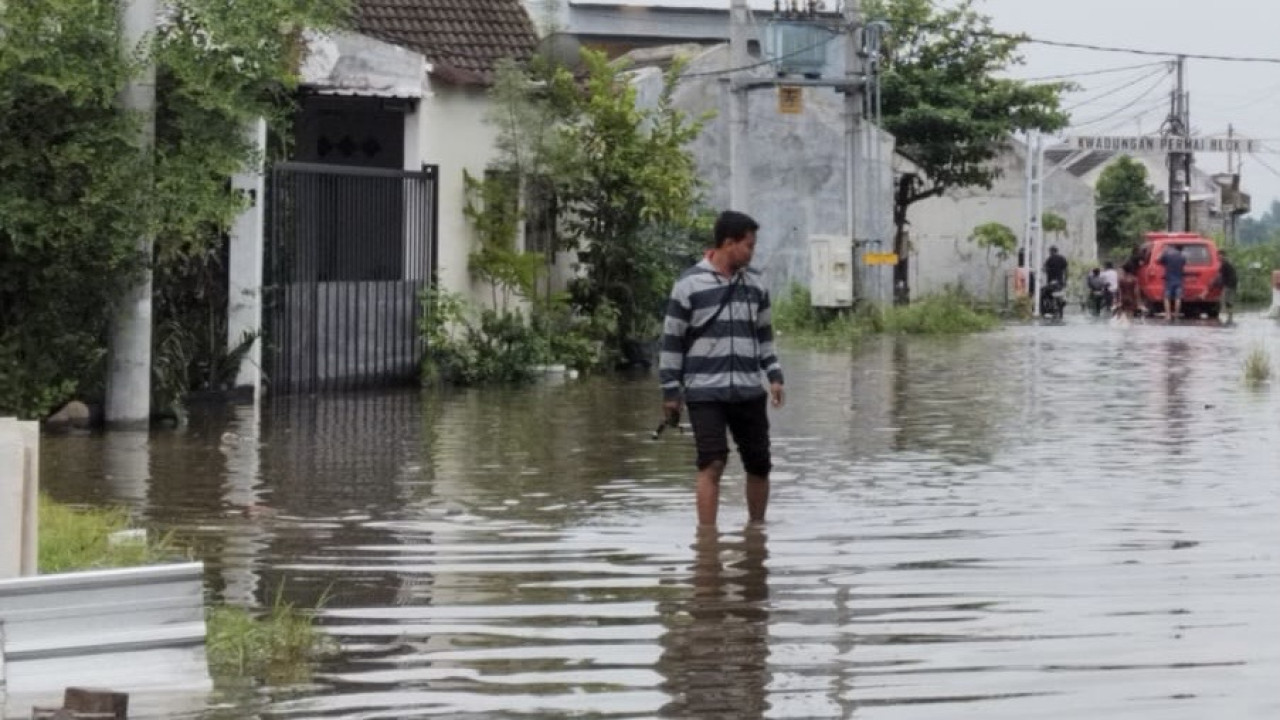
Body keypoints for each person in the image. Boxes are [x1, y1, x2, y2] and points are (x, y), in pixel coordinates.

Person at [660, 211, 785, 527]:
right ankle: (707, 540)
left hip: (747, 390)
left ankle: (757, 531)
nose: (752, 252)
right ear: (728, 243)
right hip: (704, 392)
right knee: (711, 463)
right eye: (749, 245)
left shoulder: (756, 284)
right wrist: (671, 393)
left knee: (759, 464)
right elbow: (672, 342)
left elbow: (764, 338)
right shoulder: (688, 285)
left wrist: (774, 376)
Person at [1157, 244, 1187, 320]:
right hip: (1179, 280)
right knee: (1178, 298)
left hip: (1169, 280)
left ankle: (1168, 315)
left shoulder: (1167, 255)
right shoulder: (1182, 257)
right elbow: (1183, 264)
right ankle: (1176, 315)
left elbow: (1158, 260)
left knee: (1166, 298)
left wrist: (1163, 251)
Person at [1214, 250, 1239, 323]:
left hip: (1229, 284)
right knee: (1228, 301)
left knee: (1224, 299)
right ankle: (1230, 317)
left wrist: (1213, 282)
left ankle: (1229, 317)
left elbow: (1219, 275)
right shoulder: (1227, 262)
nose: (1218, 257)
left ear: (1223, 255)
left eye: (1219, 255)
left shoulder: (1225, 263)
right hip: (1232, 284)